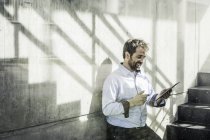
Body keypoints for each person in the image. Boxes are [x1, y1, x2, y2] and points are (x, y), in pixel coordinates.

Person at [102, 39, 172, 140]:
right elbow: (106, 109)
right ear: (127, 55)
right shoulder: (113, 79)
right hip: (121, 131)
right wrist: (131, 103)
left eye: (143, 57)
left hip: (140, 129)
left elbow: (150, 98)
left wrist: (160, 97)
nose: (142, 61)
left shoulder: (142, 77)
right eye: (139, 57)